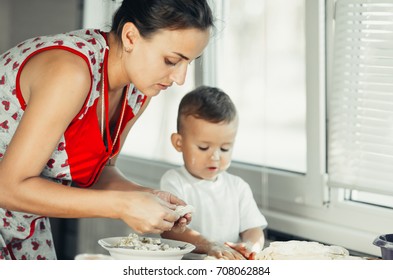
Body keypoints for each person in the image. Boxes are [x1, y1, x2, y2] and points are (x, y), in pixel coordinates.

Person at [0, 0, 213, 260]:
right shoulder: (70, 72)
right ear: (131, 37)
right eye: (171, 60)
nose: (180, 79)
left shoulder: (137, 90)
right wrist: (122, 205)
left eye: (188, 63)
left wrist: (148, 197)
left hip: (23, 226)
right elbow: (7, 188)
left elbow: (99, 172)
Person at [160, 86, 268, 260]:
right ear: (179, 143)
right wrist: (209, 246)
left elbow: (253, 229)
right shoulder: (174, 181)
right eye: (204, 147)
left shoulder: (238, 187)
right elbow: (170, 232)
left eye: (225, 148)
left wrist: (250, 246)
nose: (215, 156)